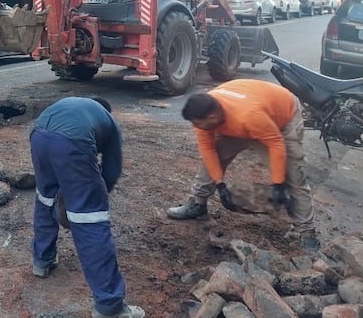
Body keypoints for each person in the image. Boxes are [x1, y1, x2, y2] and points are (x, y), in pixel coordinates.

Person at [167, 79, 319, 251]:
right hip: (242, 116)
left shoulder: (249, 116)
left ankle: (307, 232)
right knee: (210, 159)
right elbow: (208, 151)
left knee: (293, 174)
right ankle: (197, 204)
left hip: (282, 118)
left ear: (212, 117)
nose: (196, 127)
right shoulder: (203, 116)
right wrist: (220, 185)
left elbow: (276, 145)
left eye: (198, 124)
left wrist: (278, 184)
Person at [30, 97, 145, 318]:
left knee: (45, 198)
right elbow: (111, 171)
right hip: (71, 140)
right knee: (90, 219)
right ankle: (110, 306)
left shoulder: (78, 106)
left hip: (38, 134)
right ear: (106, 111)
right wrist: (93, 201)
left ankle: (42, 261)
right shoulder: (110, 123)